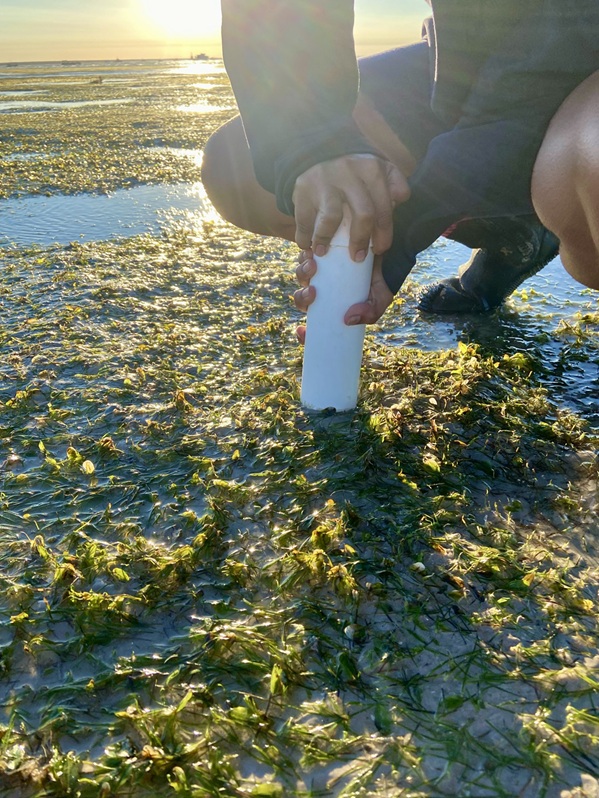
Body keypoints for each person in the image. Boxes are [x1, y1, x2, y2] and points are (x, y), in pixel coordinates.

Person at [203, 1, 599, 333]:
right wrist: (314, 143)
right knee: (232, 164)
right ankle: (512, 235)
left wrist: (412, 222)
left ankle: (537, 202)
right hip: (462, 66)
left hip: (582, 53)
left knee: (588, 169)